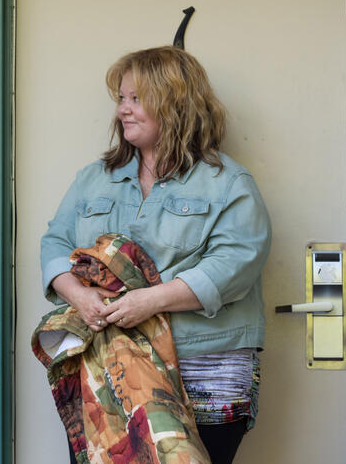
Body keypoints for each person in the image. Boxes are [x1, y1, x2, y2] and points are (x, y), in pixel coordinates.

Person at [41, 45, 271, 464]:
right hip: (108, 369)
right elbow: (55, 242)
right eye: (121, 99)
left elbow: (236, 262)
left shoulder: (228, 183)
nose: (122, 111)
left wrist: (148, 302)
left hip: (203, 368)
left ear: (175, 103)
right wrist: (77, 295)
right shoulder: (94, 179)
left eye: (135, 99)